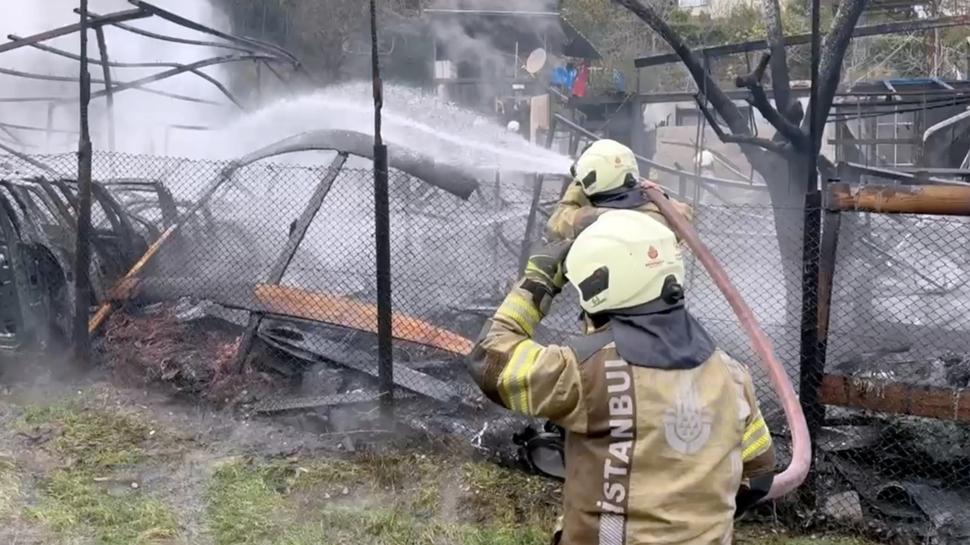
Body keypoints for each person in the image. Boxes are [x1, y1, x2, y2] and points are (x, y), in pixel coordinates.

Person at [467, 210, 776, 545]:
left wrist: (537, 283)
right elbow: (759, 474)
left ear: (601, 289)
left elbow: (491, 359)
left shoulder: (586, 373)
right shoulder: (732, 376)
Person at [546, 138, 694, 242]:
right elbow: (685, 213)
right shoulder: (656, 212)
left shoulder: (593, 217)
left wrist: (578, 185)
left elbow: (556, 224)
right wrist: (661, 196)